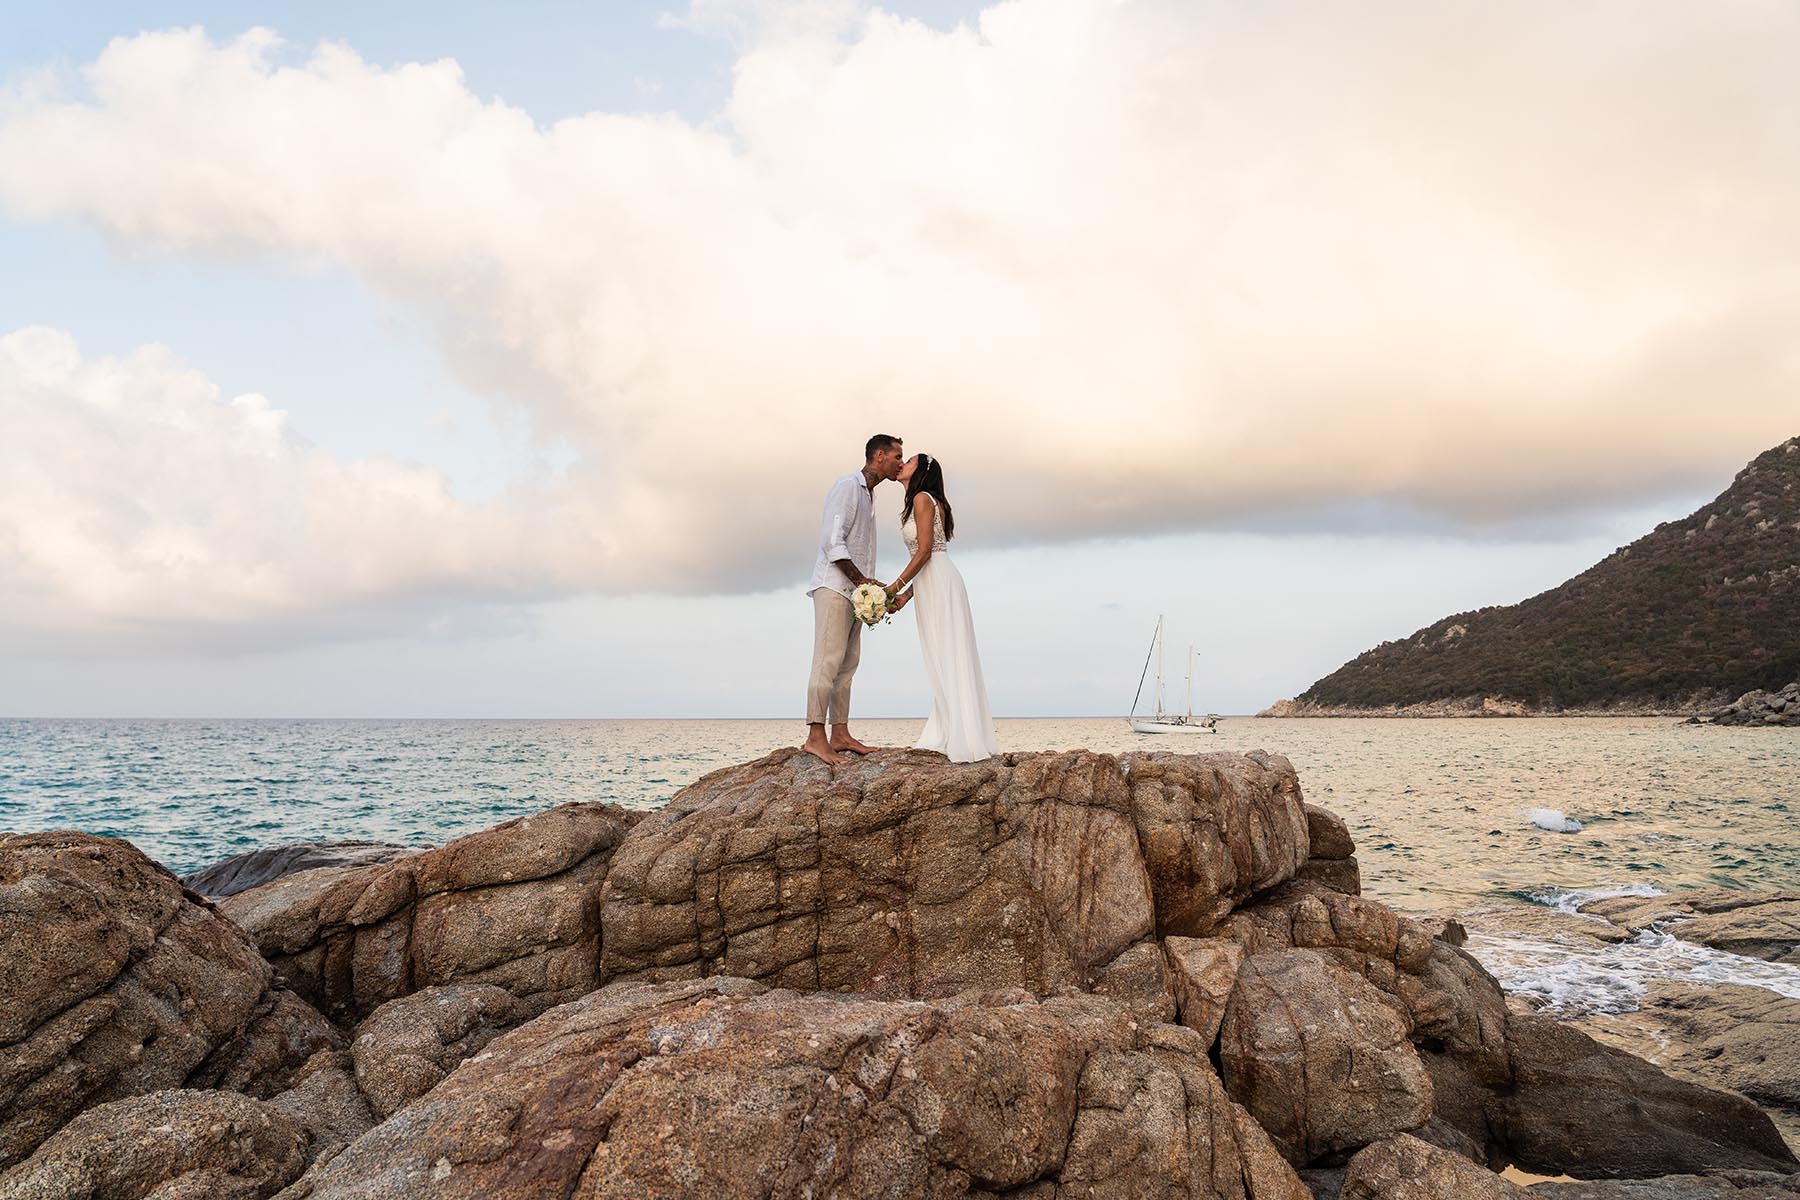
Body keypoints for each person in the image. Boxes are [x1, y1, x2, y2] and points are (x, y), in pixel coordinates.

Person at [886, 453, 999, 762]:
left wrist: (894, 587)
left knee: (948, 654)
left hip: (939, 582)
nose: (902, 464)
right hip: (931, 582)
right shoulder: (925, 500)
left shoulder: (923, 499)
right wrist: (906, 596)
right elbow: (928, 558)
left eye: (909, 461)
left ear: (921, 471)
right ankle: (951, 728)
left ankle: (961, 735)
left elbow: (925, 552)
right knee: (940, 655)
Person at [801, 433, 904, 766]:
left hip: (854, 592)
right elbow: (833, 542)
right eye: (897, 456)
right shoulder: (848, 486)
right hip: (834, 587)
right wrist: (863, 583)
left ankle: (840, 734)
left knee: (848, 664)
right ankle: (815, 737)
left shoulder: (870, 495)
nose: (901, 463)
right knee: (827, 661)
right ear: (878, 456)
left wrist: (867, 589)